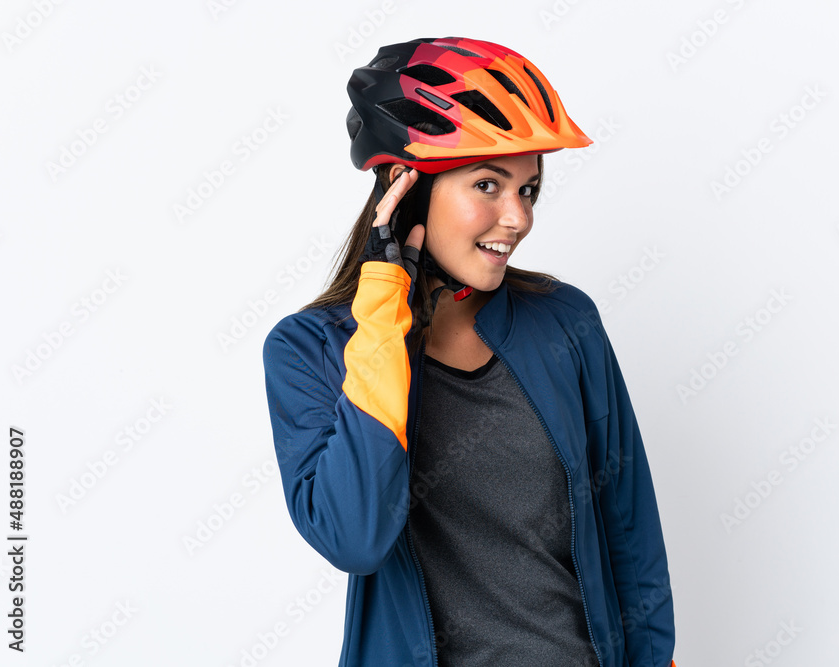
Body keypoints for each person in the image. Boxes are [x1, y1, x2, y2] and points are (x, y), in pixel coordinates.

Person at [262, 36, 676, 666]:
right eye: (488, 184)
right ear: (405, 187)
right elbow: (355, 538)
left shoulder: (564, 322)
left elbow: (628, 525)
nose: (518, 218)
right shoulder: (309, 350)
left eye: (528, 190)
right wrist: (383, 312)